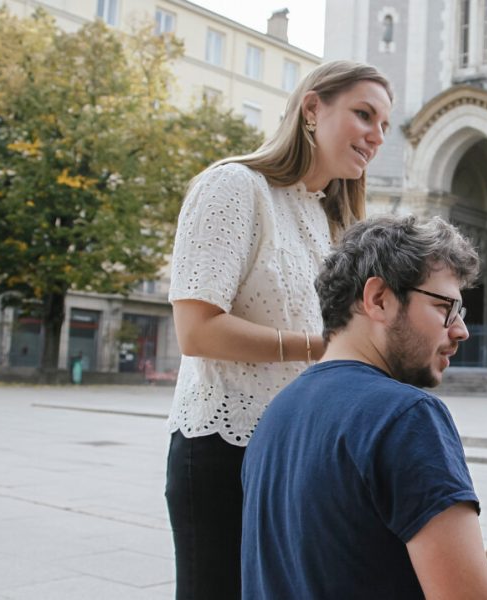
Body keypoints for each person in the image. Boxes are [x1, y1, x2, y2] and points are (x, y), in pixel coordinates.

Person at [241, 214, 487, 599]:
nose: (461, 330)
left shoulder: (278, 412)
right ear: (379, 300)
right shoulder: (406, 416)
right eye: (445, 308)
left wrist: (459, 570)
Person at [165, 60, 393, 599]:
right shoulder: (234, 186)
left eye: (384, 126)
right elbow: (196, 331)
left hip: (298, 454)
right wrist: (321, 349)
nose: (376, 136)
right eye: (364, 115)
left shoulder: (331, 221)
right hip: (224, 450)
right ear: (313, 108)